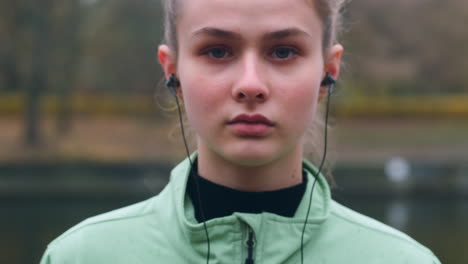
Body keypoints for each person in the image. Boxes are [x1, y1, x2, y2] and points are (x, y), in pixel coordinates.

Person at [40, 0, 441, 263]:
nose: (250, 84)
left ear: (327, 72)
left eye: (283, 51)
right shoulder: (82, 256)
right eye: (217, 51)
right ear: (172, 71)